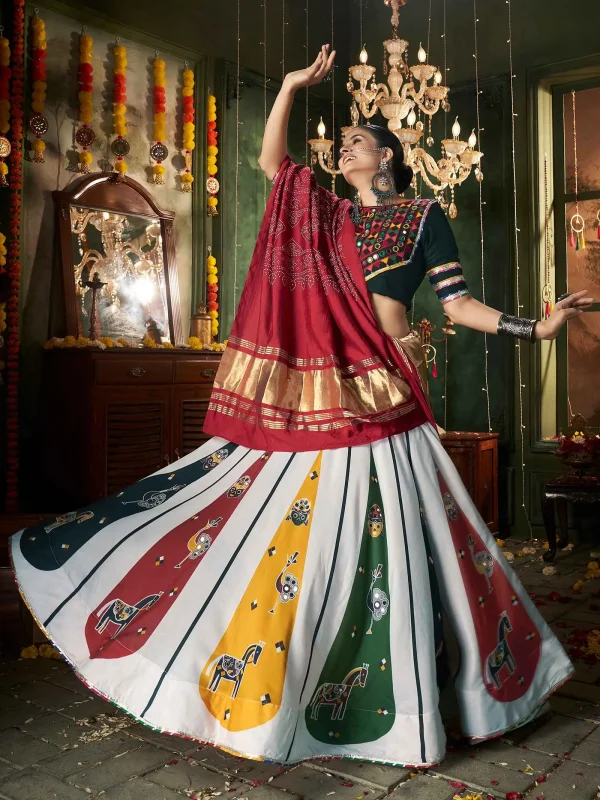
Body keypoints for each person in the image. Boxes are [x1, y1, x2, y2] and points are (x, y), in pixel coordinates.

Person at [12, 45, 593, 768]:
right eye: (343, 141)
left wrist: (534, 327)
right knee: (306, 534)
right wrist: (289, 85)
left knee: (413, 543)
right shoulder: (325, 217)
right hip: (326, 391)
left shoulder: (423, 215)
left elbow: (459, 302)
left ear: (386, 156)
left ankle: (426, 693)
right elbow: (271, 165)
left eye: (357, 140)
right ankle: (287, 677)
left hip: (385, 392)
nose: (344, 147)